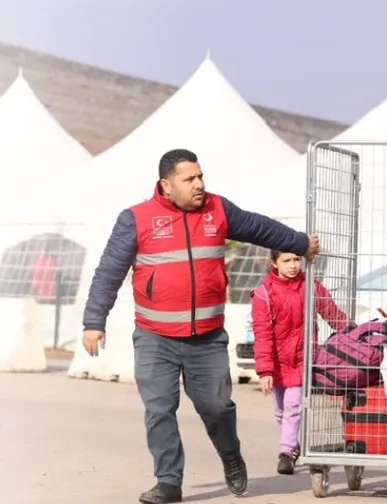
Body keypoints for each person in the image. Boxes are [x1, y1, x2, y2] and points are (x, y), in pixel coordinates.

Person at [80, 149, 320, 504]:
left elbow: (259, 227)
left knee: (216, 406)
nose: (199, 184)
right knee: (160, 409)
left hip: (206, 338)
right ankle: (168, 482)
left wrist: (299, 243)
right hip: (154, 337)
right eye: (189, 179)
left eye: (200, 176)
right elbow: (109, 271)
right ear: (166, 184)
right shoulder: (136, 219)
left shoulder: (217, 209)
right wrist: (93, 321)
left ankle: (231, 457)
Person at [252, 249, 349, 475]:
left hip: (303, 358)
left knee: (293, 406)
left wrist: (351, 330)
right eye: (287, 260)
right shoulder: (264, 294)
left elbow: (332, 313)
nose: (293, 265)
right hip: (276, 361)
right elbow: (263, 334)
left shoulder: (311, 286)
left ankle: (286, 453)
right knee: (280, 410)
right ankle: (293, 445)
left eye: (297, 259)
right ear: (275, 263)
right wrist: (265, 370)